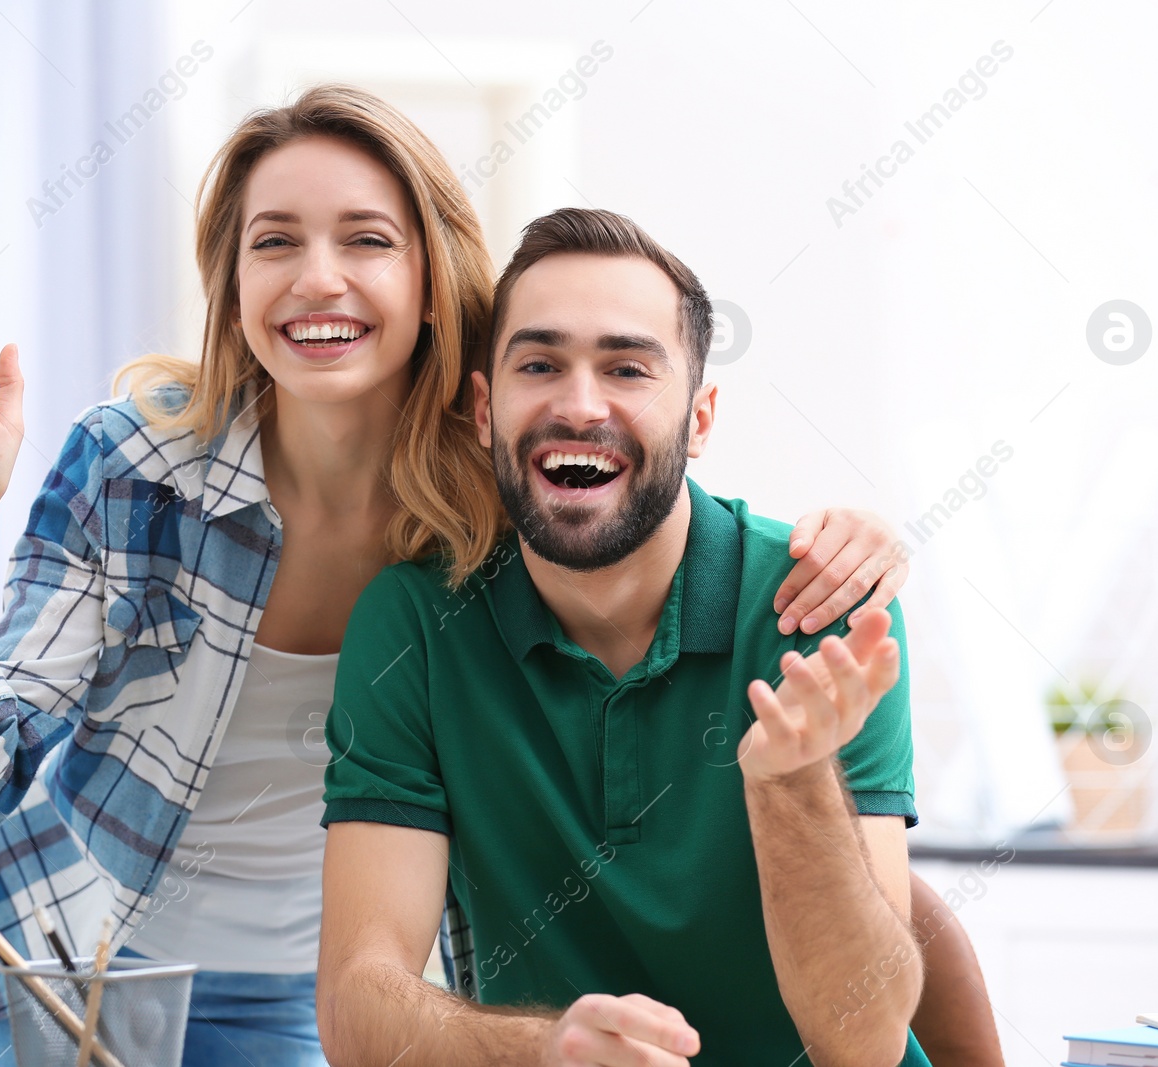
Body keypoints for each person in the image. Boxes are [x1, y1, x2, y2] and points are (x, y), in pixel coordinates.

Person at [0, 86, 913, 1067]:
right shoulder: (136, 468)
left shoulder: (498, 496)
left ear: (430, 281)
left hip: (294, 975)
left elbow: (643, 486)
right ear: (232, 290)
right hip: (59, 939)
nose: (317, 277)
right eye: (272, 241)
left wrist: (863, 533)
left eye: (366, 240)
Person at [316, 207, 943, 1065]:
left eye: (627, 368)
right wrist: (545, 1051)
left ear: (700, 418)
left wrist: (792, 786)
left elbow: (863, 1042)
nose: (580, 404)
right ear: (484, 410)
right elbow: (358, 1007)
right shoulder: (418, 625)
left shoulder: (820, 605)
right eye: (540, 364)